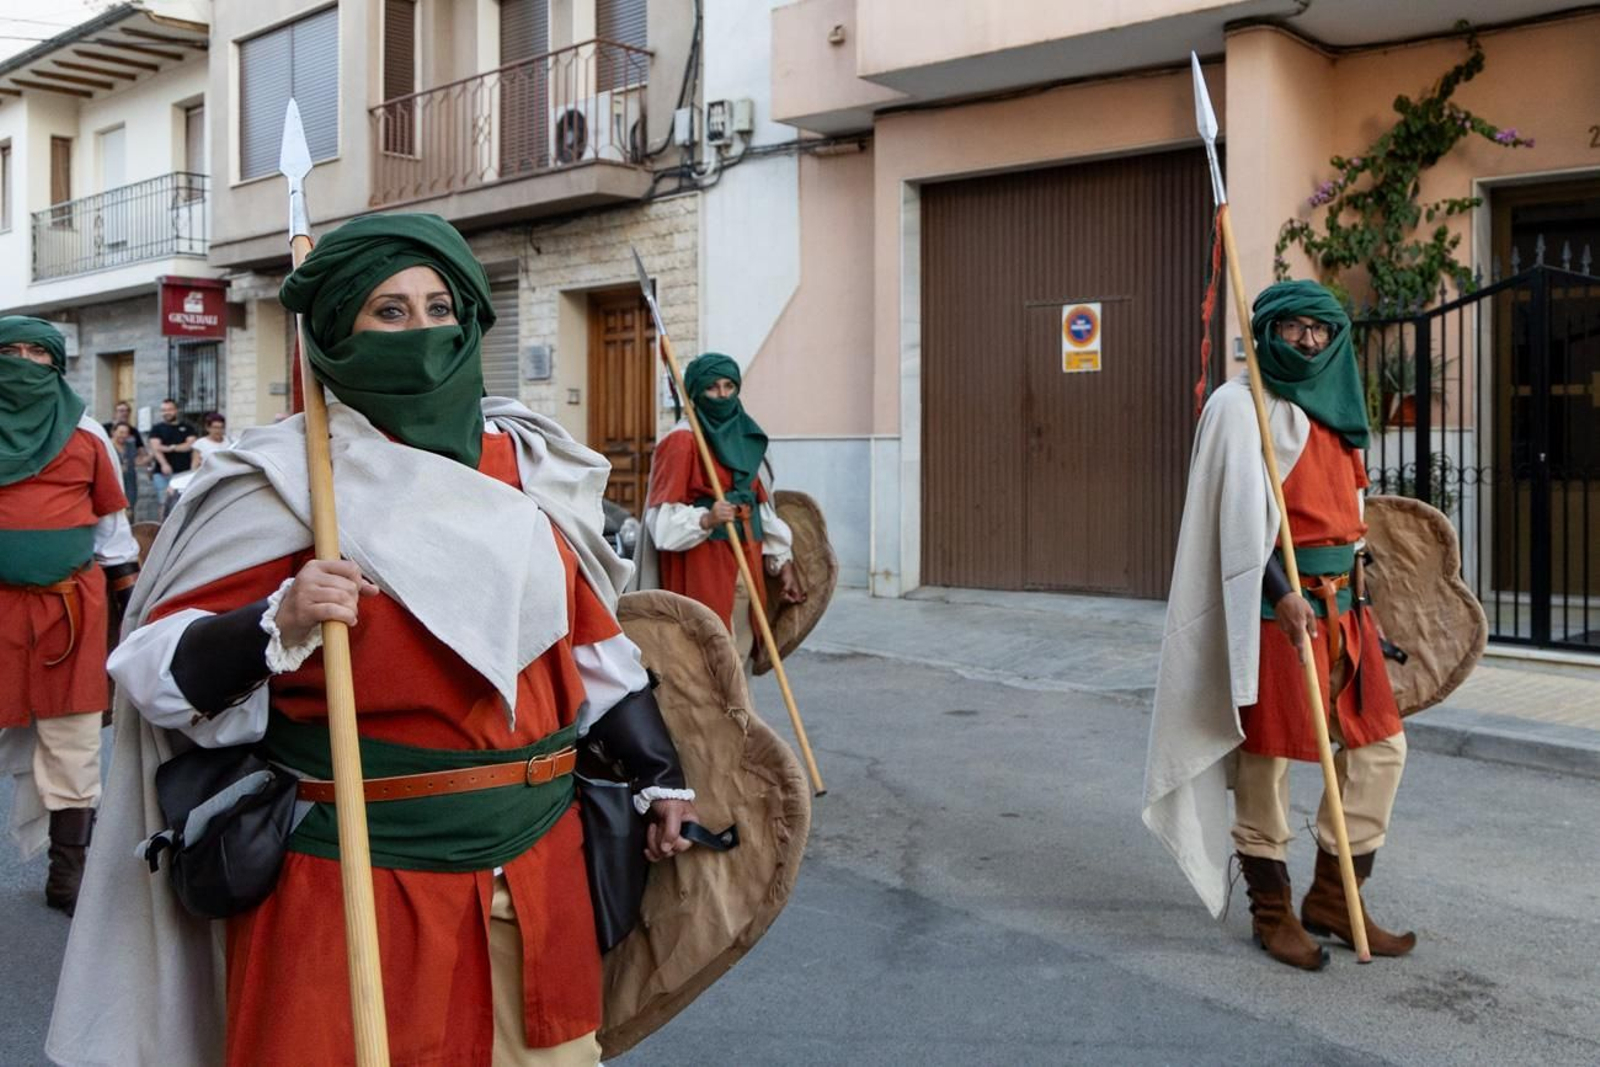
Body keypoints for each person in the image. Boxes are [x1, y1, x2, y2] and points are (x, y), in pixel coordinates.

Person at [50, 213, 702, 1067]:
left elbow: (590, 649)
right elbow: (152, 670)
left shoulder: (527, 466)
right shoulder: (284, 481)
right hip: (351, 874)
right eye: (389, 312)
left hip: (536, 867)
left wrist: (658, 772)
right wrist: (277, 620)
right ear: (335, 335)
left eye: (439, 308)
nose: (422, 331)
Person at [1142, 279, 1414, 972]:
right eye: (1294, 327)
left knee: (1380, 746)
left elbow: (1352, 510)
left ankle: (1334, 896)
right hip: (1276, 610)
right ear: (1268, 332)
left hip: (1344, 606)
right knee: (1268, 759)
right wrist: (1280, 590)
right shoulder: (1240, 407)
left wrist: (1364, 590)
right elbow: (1233, 523)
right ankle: (1272, 911)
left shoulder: (1339, 401)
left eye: (1321, 329)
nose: (1310, 341)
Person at [0, 316, 140, 915]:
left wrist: (133, 612)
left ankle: (68, 871)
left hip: (70, 612)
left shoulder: (87, 433)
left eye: (37, 353)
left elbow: (113, 534)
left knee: (74, 737)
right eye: (11, 351)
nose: (24, 362)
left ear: (56, 364)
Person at [642, 353, 804, 666]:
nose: (722, 395)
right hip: (703, 559)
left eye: (729, 386)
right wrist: (706, 518)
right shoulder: (682, 441)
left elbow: (760, 503)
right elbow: (661, 524)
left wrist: (783, 559)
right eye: (712, 387)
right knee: (708, 650)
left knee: (743, 644)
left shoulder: (748, 436)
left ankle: (740, 700)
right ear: (696, 392)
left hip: (749, 553)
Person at [147, 397, 197, 512]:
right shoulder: (157, 429)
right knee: (163, 502)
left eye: (169, 409)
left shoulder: (188, 428)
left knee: (183, 503)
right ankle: (163, 524)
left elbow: (190, 445)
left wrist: (170, 448)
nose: (166, 413)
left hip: (184, 472)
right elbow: (156, 448)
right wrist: (164, 464)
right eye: (164, 410)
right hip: (162, 473)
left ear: (176, 410)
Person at [108, 420, 146, 515]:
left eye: (126, 433)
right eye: (121, 432)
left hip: (129, 483)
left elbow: (136, 460)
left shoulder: (130, 445)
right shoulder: (106, 446)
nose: (124, 435)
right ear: (113, 432)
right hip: (112, 485)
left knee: (130, 511)